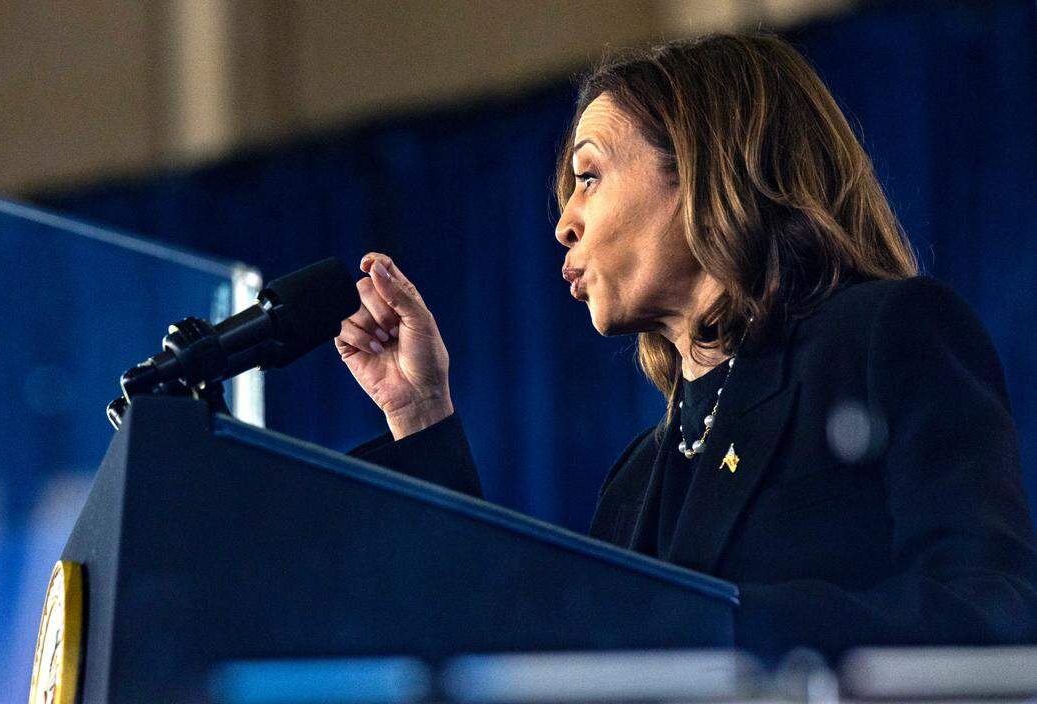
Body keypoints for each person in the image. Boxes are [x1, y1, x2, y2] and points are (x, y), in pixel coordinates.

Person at [332, 33, 1037, 662]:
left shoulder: (890, 333)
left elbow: (994, 613)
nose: (564, 224)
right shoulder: (638, 476)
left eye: (588, 176)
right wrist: (422, 414)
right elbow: (527, 658)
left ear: (702, 167)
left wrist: (722, 629)